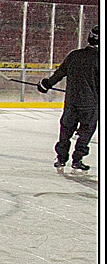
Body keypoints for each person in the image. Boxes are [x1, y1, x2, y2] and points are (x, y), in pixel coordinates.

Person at [38, 26, 99, 172]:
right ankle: (77, 159)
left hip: (71, 102)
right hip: (90, 104)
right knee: (86, 131)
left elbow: (60, 73)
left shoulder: (74, 55)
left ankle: (61, 158)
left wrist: (46, 84)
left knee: (66, 130)